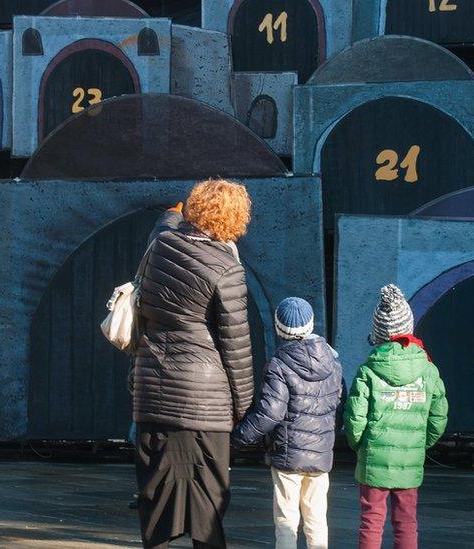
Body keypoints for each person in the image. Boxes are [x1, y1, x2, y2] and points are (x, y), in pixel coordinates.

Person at [132, 179, 255, 549]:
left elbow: (166, 226)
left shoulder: (161, 247)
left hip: (152, 393)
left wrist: (172, 214)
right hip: (205, 402)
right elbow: (236, 346)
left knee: (155, 499)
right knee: (209, 504)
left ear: (193, 210)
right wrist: (244, 407)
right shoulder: (227, 270)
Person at [231, 297, 343, 549]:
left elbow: (270, 412)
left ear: (280, 329)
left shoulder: (279, 364)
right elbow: (337, 402)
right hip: (321, 455)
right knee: (316, 519)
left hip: (288, 456)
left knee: (286, 519)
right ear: (311, 324)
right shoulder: (333, 361)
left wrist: (238, 437)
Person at [344, 284, 449, 549]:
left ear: (378, 333)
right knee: (406, 522)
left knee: (371, 521)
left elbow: (355, 418)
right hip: (409, 458)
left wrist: (361, 446)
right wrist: (419, 445)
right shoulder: (428, 369)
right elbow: (438, 417)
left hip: (373, 459)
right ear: (408, 327)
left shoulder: (368, 370)